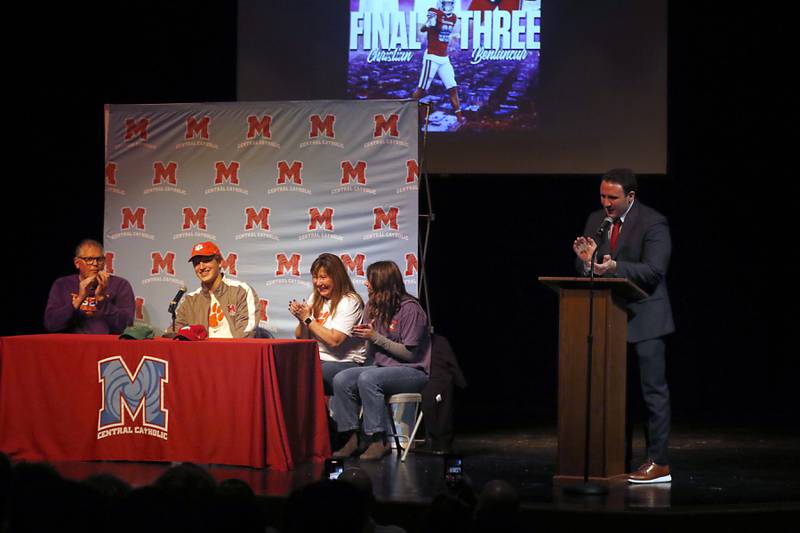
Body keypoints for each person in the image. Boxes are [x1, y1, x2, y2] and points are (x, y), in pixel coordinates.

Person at [572, 168, 675, 484]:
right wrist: (587, 262)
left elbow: (653, 271)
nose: (606, 203)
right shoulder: (595, 220)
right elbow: (585, 268)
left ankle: (659, 463)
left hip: (646, 319)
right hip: (609, 319)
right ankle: (617, 459)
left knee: (652, 394)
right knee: (615, 394)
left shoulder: (653, 222)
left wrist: (613, 266)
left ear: (630, 196)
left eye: (612, 197)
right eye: (602, 196)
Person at [330, 261, 431, 461]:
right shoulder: (372, 306)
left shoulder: (410, 309)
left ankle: (379, 439)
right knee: (342, 378)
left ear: (382, 282)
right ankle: (352, 438)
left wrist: (375, 337)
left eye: (370, 279)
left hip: (412, 371)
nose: (366, 284)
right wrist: (364, 338)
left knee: (369, 378)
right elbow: (372, 352)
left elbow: (410, 355)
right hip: (380, 369)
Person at [289, 253, 367, 395]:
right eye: (315, 277)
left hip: (346, 364)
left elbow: (334, 340)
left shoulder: (350, 301)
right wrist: (301, 319)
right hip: (318, 360)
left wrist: (308, 319)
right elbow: (302, 339)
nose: (318, 283)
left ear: (337, 277)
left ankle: (321, 417)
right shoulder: (315, 298)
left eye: (323, 277)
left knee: (309, 374)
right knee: (284, 370)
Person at [44, 239, 135, 334]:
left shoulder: (120, 285)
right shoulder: (62, 285)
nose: (95, 264)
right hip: (72, 345)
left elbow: (126, 326)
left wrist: (101, 299)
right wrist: (79, 299)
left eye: (99, 259)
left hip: (107, 346)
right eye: (89, 259)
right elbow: (51, 325)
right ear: (77, 263)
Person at [174, 241, 260, 338]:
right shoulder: (190, 300)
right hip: (201, 353)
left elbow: (247, 330)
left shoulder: (241, 290)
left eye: (206, 260)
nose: (201, 267)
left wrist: (222, 351)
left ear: (219, 262)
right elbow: (175, 332)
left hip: (234, 351)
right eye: (196, 263)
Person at [412, 0, 466, 125]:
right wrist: (429, 24)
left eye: (450, 4)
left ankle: (459, 116)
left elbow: (451, 35)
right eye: (446, 3)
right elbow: (423, 28)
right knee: (422, 88)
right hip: (432, 57)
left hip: (444, 58)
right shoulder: (434, 12)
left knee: (452, 87)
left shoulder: (453, 18)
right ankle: (404, 112)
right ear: (441, 4)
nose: (449, 6)